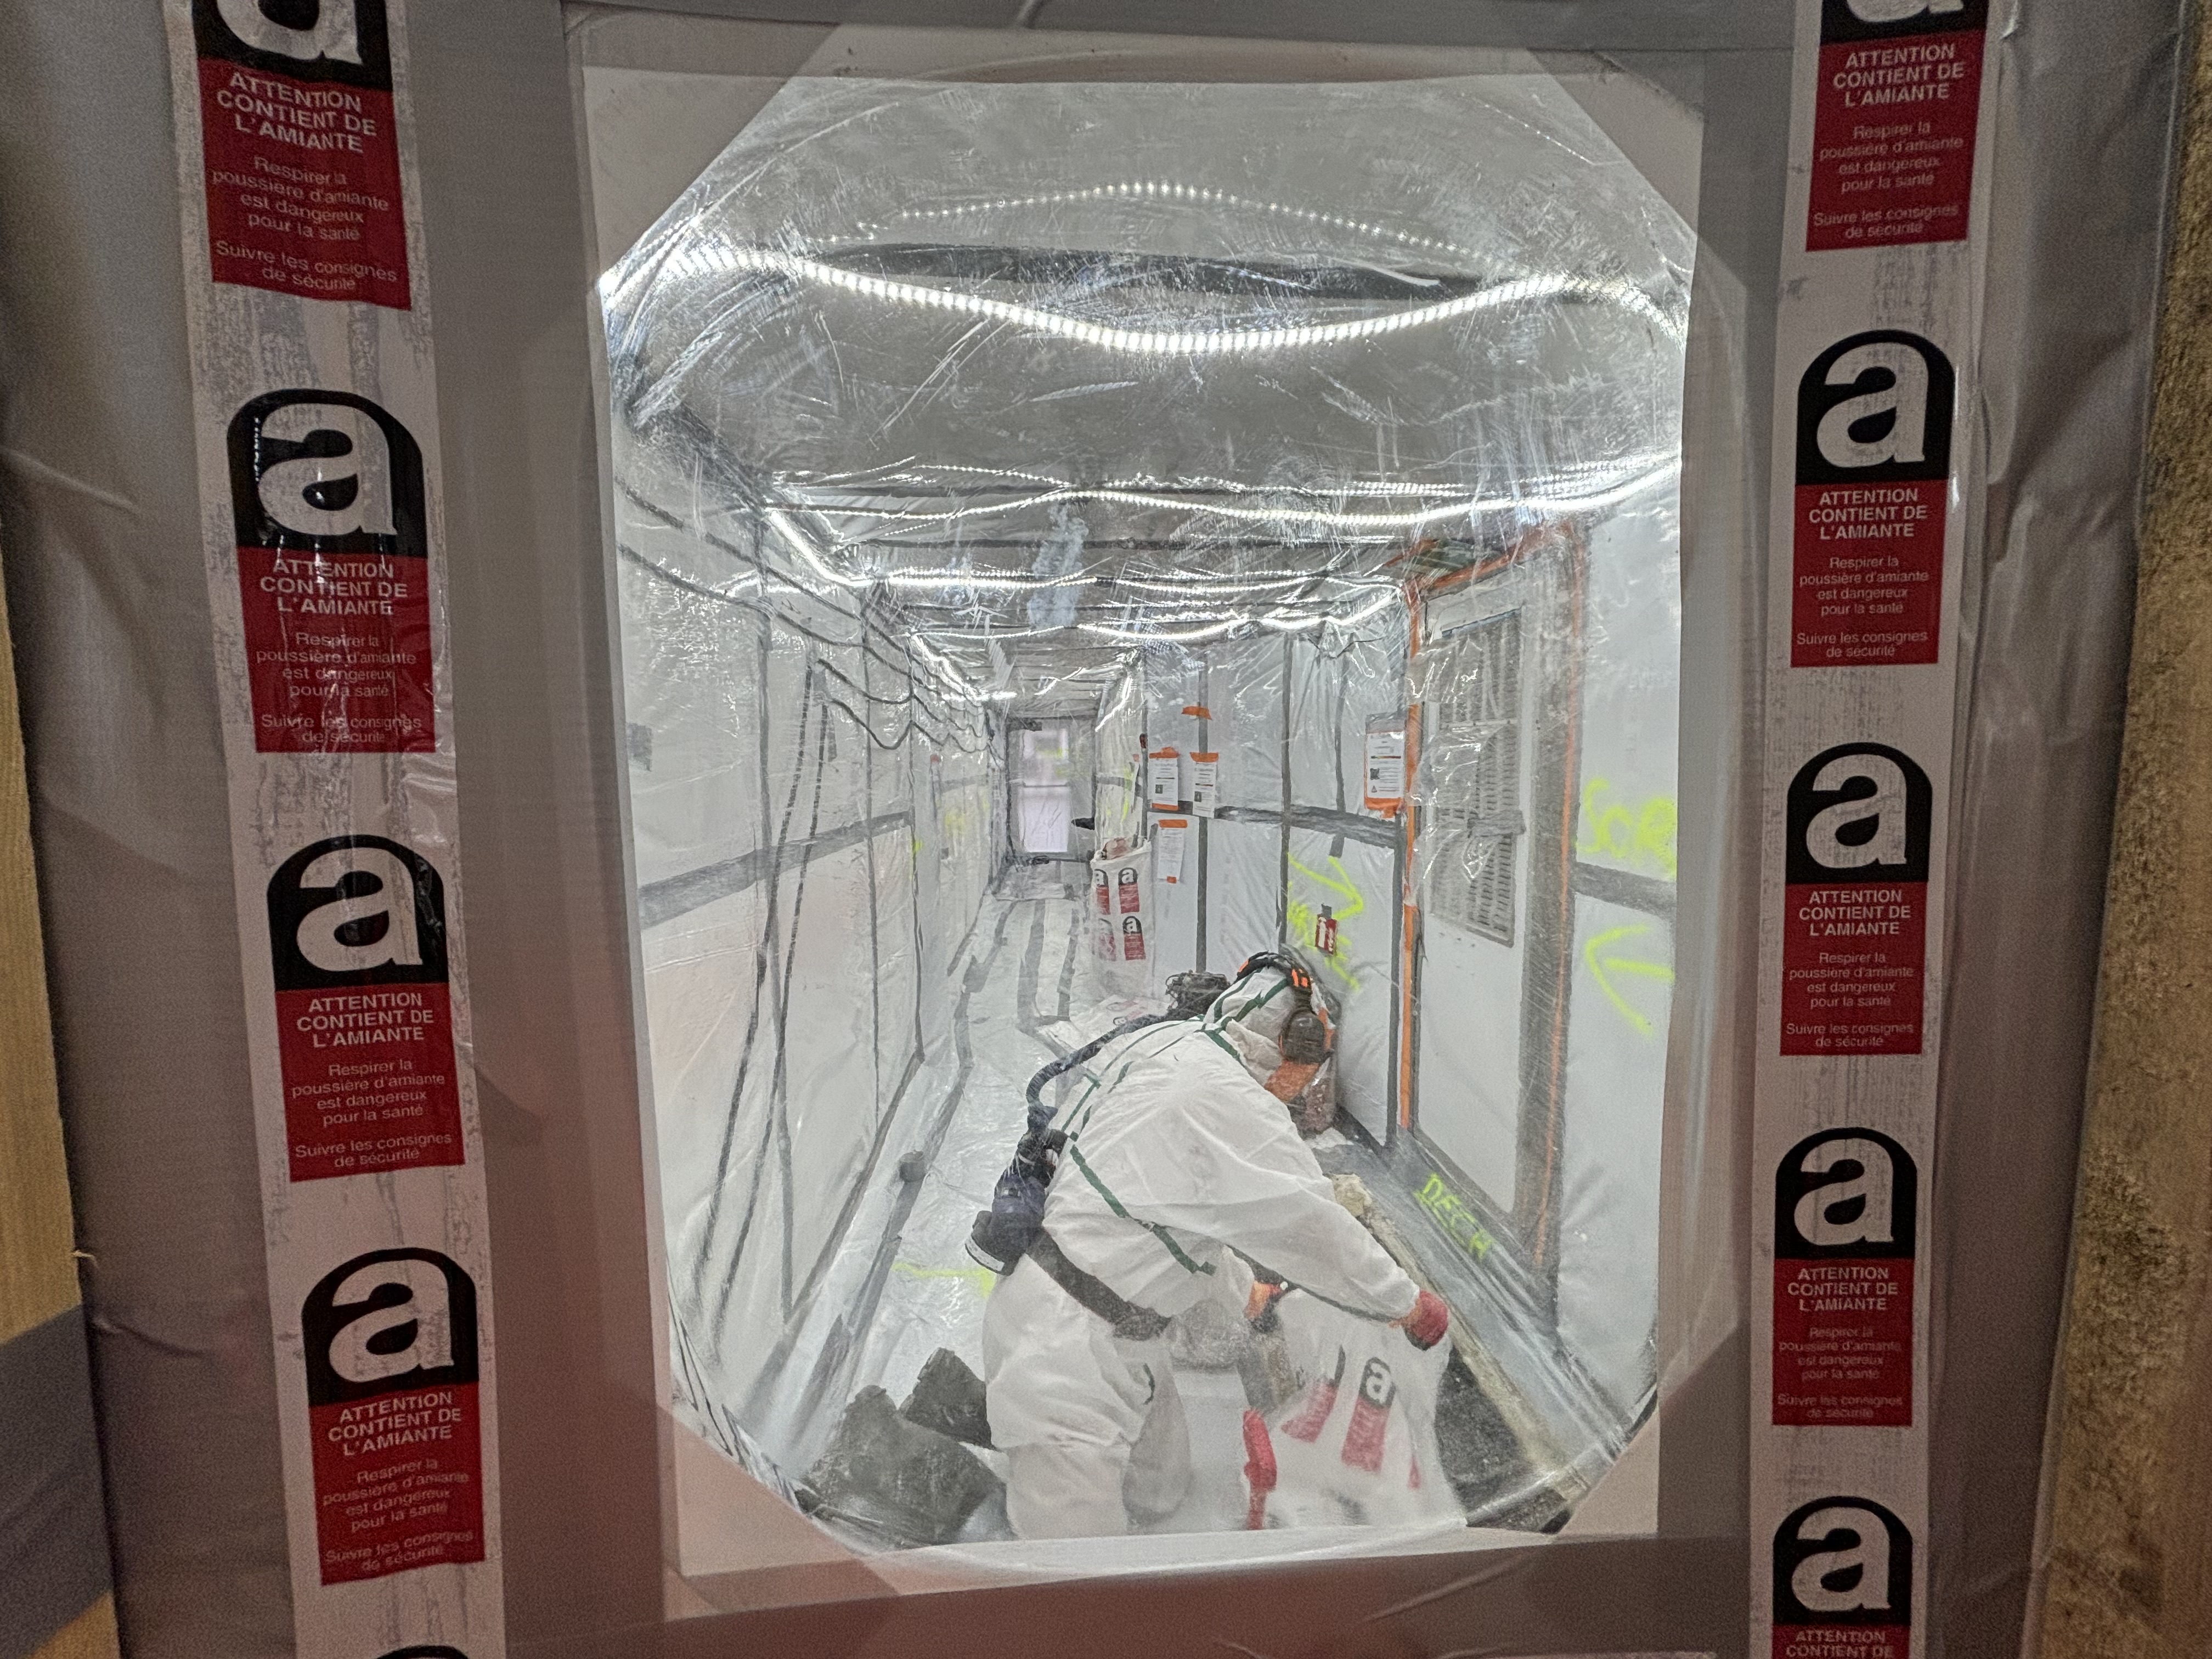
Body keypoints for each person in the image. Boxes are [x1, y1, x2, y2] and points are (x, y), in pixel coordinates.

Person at [981, 957, 1450, 1538]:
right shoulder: (1228, 1100)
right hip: (1065, 1352)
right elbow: (1313, 1228)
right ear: (1293, 1046)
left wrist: (1246, 1294)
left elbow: (1176, 1210)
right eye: (1312, 1067)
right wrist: (1404, 1303)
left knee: (1162, 1492)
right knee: (1078, 1571)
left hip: (1103, 1321)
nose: (1307, 1086)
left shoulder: (1173, 1045)